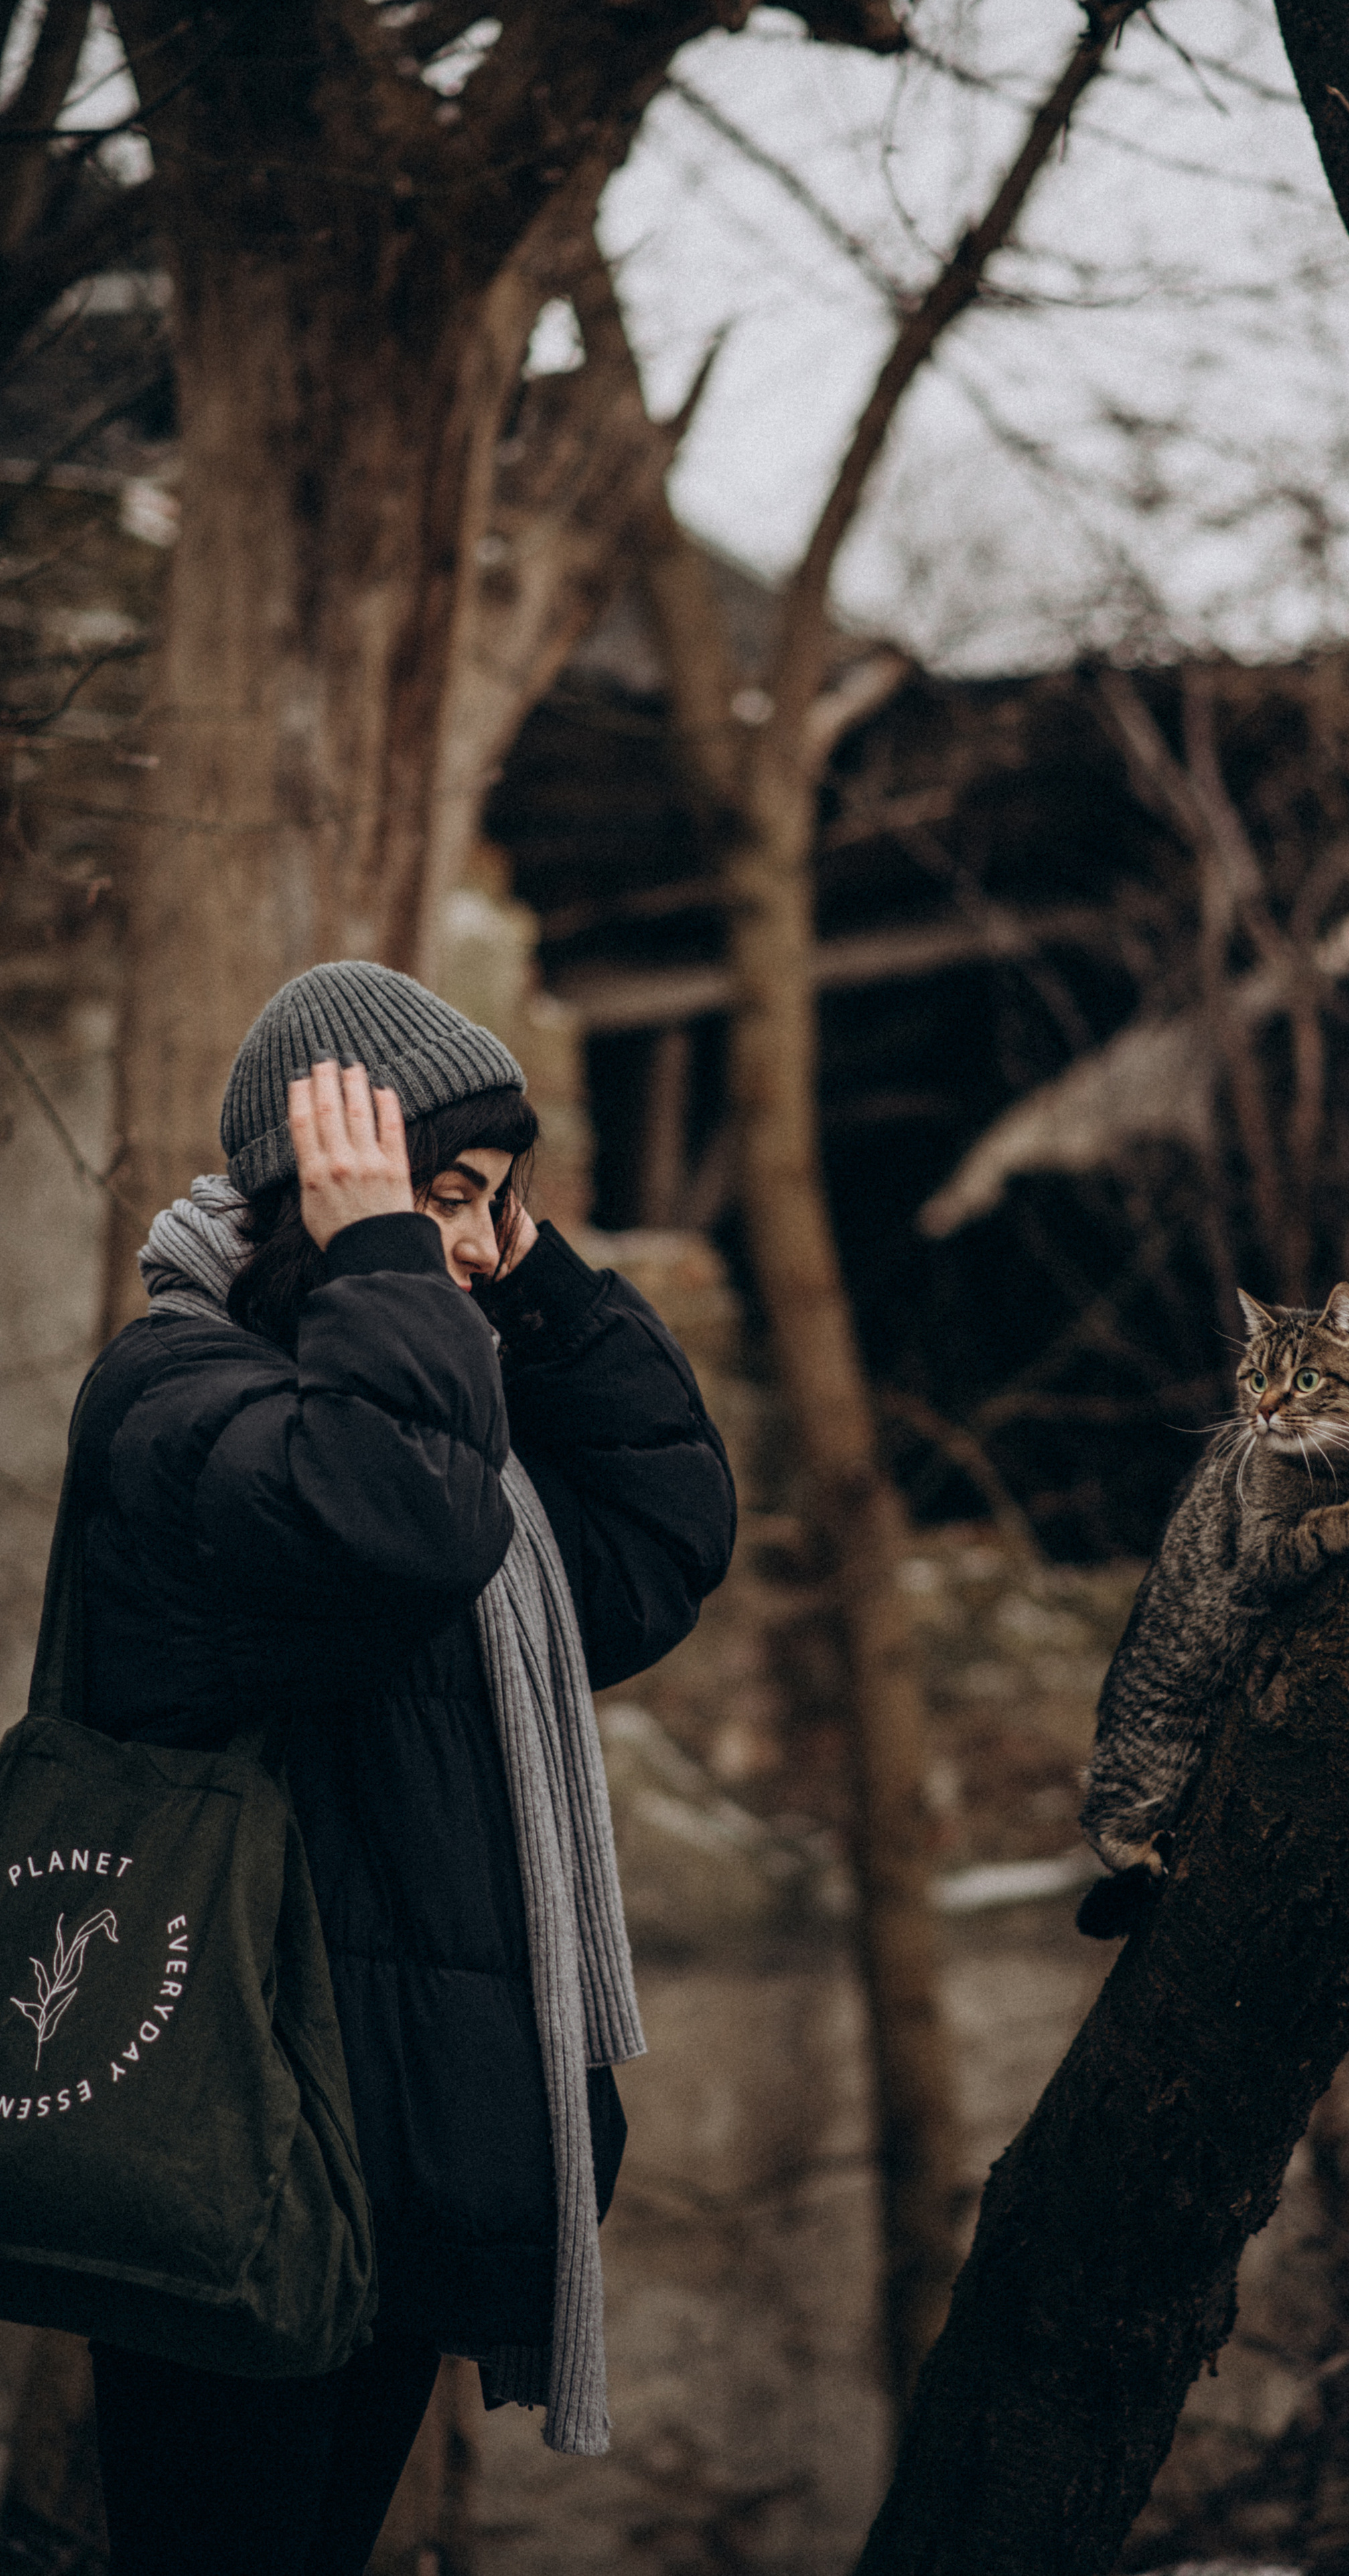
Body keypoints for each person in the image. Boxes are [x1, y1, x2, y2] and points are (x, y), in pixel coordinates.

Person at [67, 962, 736, 2575]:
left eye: (493, 1205)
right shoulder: (178, 1396)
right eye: (437, 1194)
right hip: (234, 2141)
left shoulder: (431, 1416)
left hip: (393, 2136)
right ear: (316, 1192)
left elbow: (655, 1548)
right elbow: (393, 1524)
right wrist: (387, 1255)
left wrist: (538, 1280)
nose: (469, 1244)